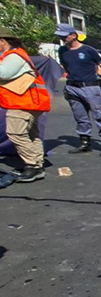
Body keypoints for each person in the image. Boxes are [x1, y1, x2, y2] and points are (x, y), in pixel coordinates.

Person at [55, 24, 101, 156]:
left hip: (90, 87)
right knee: (80, 117)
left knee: (100, 116)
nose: (62, 38)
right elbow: (66, 67)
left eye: (65, 36)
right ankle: (85, 143)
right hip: (72, 87)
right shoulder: (62, 51)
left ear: (73, 35)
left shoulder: (89, 50)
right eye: (60, 36)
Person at [0, 27, 51, 182]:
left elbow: (3, 73)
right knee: (31, 135)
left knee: (15, 133)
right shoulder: (17, 55)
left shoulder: (14, 56)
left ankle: (33, 165)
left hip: (22, 103)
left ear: (2, 41)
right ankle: (36, 165)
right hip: (29, 103)